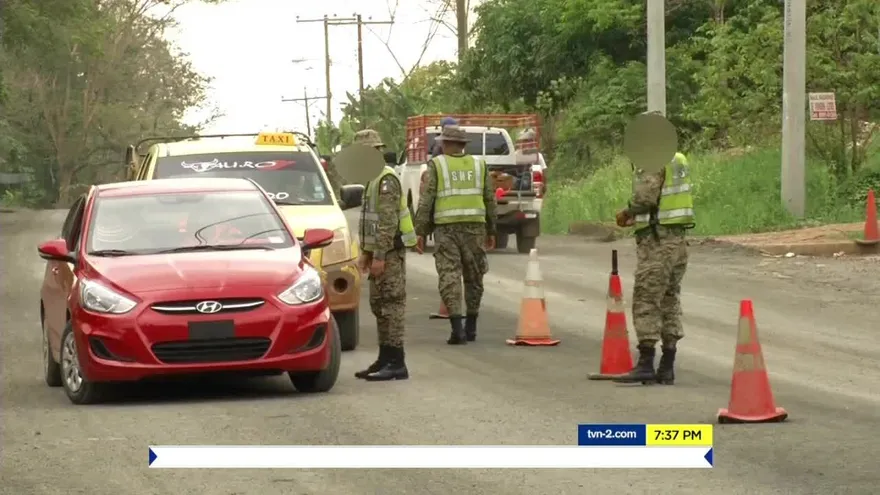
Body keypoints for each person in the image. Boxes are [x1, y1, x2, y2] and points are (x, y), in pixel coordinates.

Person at [613, 151, 694, 385]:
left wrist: (627, 212)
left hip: (657, 241)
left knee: (646, 298)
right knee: (670, 299)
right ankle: (667, 365)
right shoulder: (677, 158)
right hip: (678, 240)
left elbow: (645, 197)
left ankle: (646, 362)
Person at [414, 125, 497, 345]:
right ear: (463, 145)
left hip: (446, 229)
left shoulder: (437, 165)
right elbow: (490, 199)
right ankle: (472, 327)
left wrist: (420, 232)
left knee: (449, 276)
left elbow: (426, 200)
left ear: (446, 143)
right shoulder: (479, 165)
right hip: (475, 228)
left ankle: (457, 330)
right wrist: (492, 229)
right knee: (474, 276)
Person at [353, 129, 418, 381]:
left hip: (389, 254)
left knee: (391, 306)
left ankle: (396, 361)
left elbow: (388, 223)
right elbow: (368, 221)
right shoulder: (373, 179)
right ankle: (384, 357)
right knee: (379, 306)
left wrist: (379, 256)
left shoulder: (386, 179)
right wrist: (365, 254)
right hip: (379, 253)